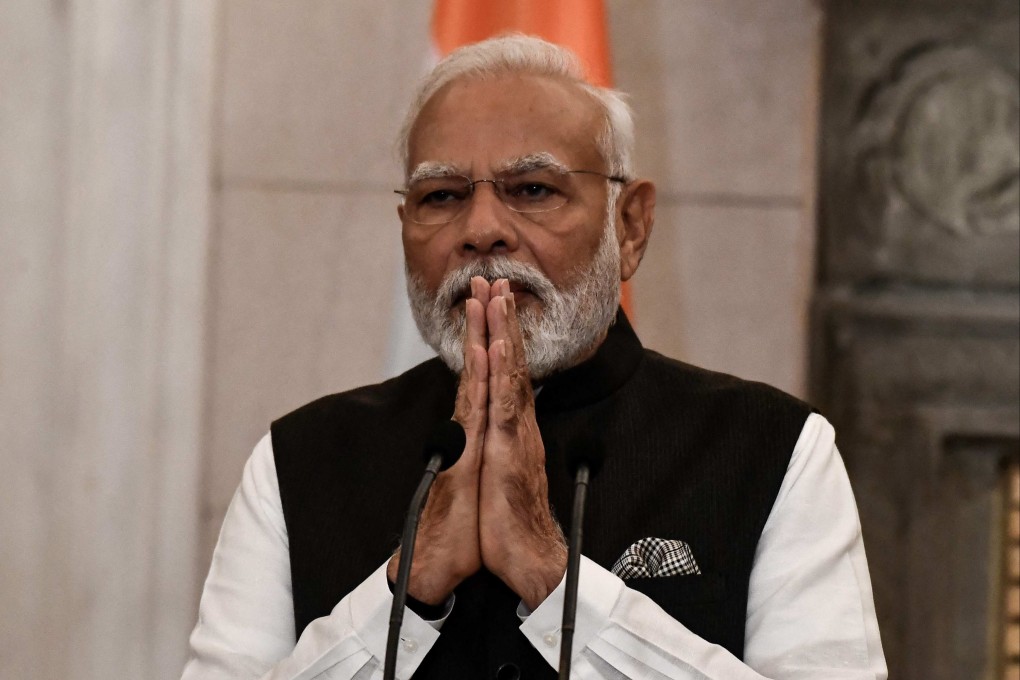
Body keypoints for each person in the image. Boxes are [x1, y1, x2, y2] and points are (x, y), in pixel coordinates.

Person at [182, 34, 887, 680]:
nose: (482, 228)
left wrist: (557, 583)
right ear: (405, 228)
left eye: (533, 190)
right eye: (442, 196)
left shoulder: (772, 452)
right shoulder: (301, 459)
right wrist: (408, 587)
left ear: (631, 225)